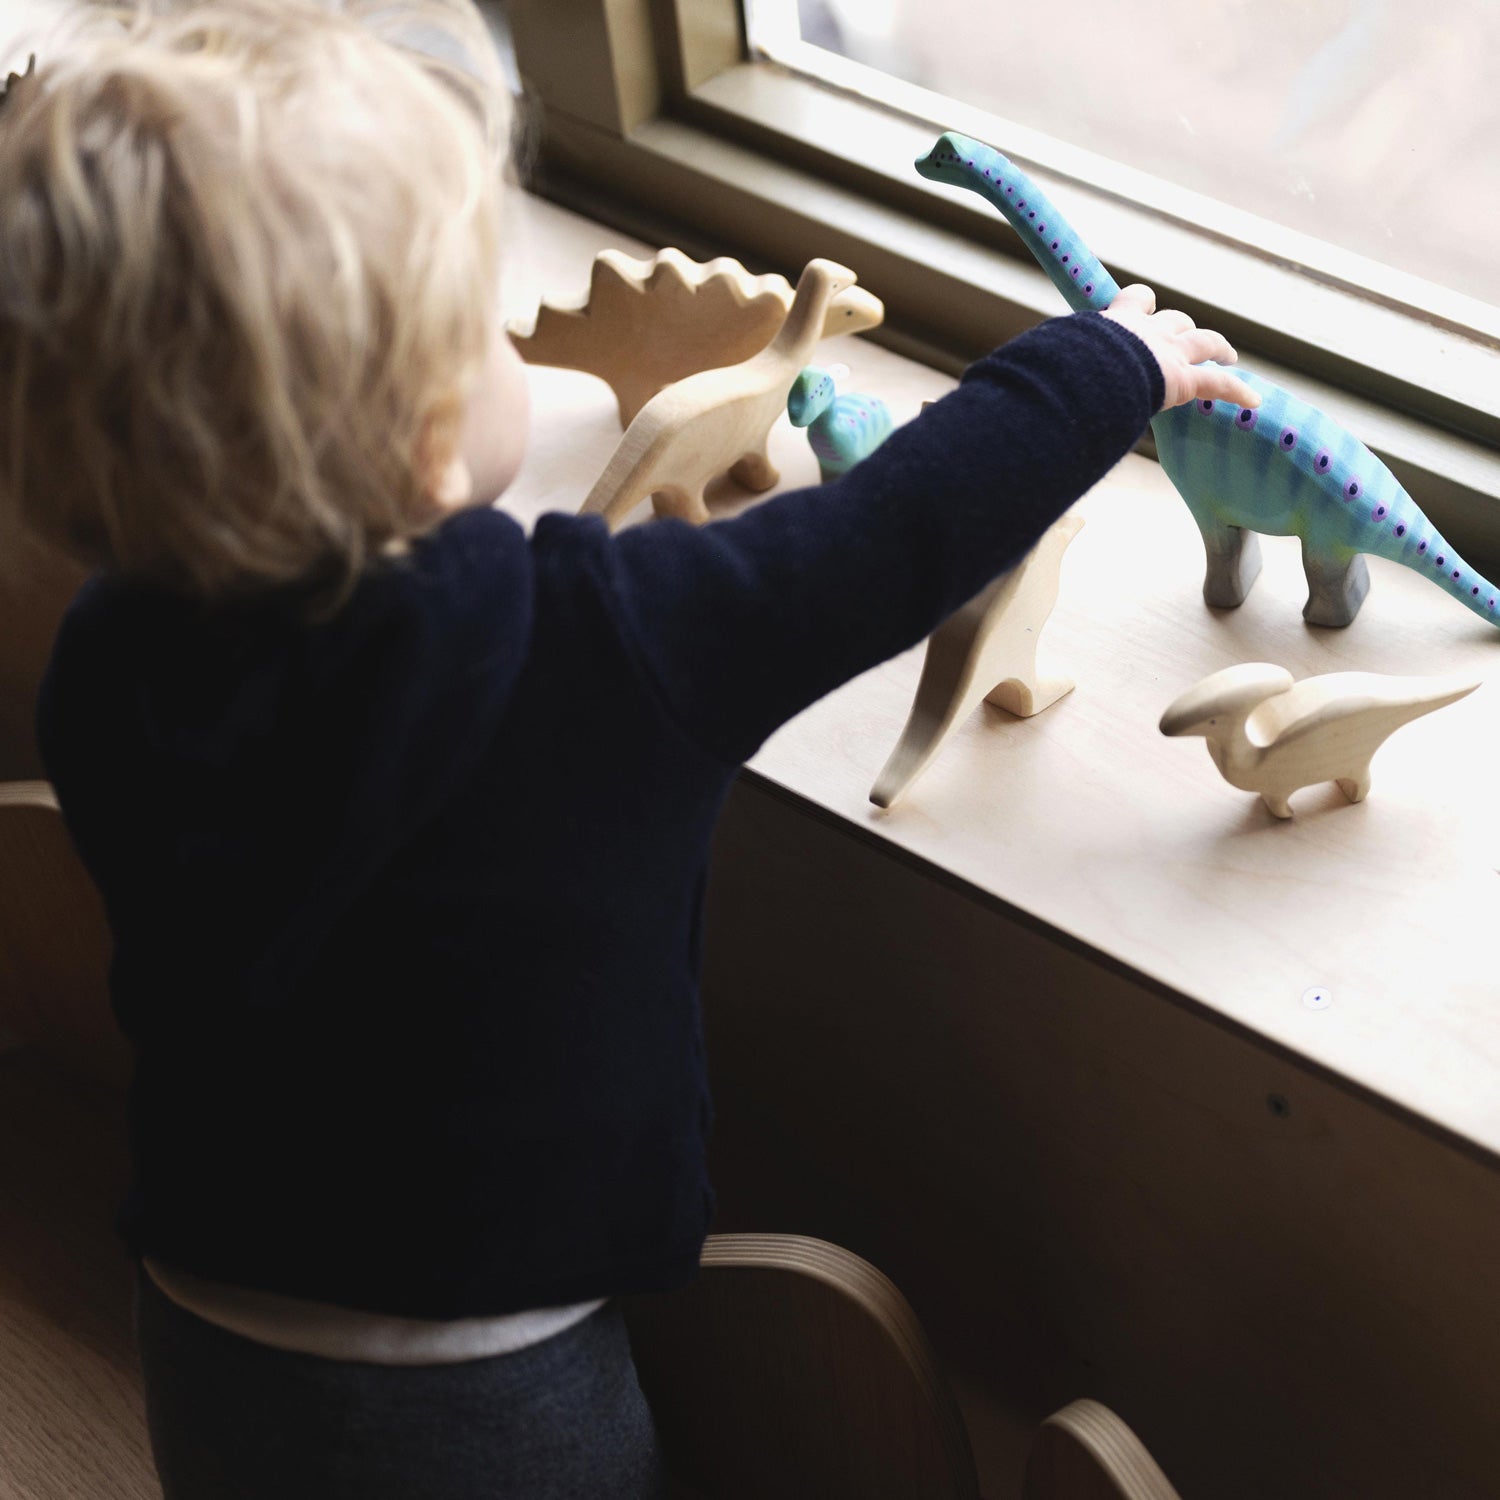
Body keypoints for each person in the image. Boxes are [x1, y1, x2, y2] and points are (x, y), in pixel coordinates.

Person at [0, 2, 1259, 1496]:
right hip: (488, 1400)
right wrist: (1101, 366)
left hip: (206, 1332)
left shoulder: (110, 656)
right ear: (412, 434)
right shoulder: (589, 649)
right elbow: (887, 541)